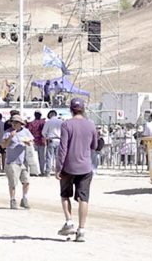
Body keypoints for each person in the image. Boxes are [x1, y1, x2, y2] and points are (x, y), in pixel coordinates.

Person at [56, 98, 97, 243]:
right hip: (85, 166)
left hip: (68, 166)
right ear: (83, 109)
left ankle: (69, 222)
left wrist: (58, 167)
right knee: (83, 198)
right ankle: (81, 230)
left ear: (71, 109)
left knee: (65, 195)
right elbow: (94, 145)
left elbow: (63, 148)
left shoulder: (66, 124)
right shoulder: (91, 124)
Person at [1, 115, 33, 209]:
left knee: (26, 181)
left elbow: (31, 142)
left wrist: (28, 142)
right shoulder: (8, 132)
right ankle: (13, 200)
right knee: (13, 183)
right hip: (12, 161)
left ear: (20, 124)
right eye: (12, 122)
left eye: (16, 122)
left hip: (23, 161)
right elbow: (3, 145)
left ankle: (24, 198)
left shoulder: (26, 131)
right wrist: (10, 137)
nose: (14, 124)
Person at [42, 110, 63, 176]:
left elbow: (43, 132)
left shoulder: (48, 122)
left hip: (51, 140)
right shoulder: (61, 121)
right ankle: (58, 171)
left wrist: (46, 137)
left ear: (50, 115)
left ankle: (48, 171)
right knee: (58, 157)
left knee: (49, 156)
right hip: (59, 140)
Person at [27, 111, 47, 175]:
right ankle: (42, 171)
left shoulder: (32, 123)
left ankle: (36, 171)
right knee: (42, 157)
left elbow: (29, 131)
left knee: (35, 157)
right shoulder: (43, 122)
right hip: (42, 141)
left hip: (34, 141)